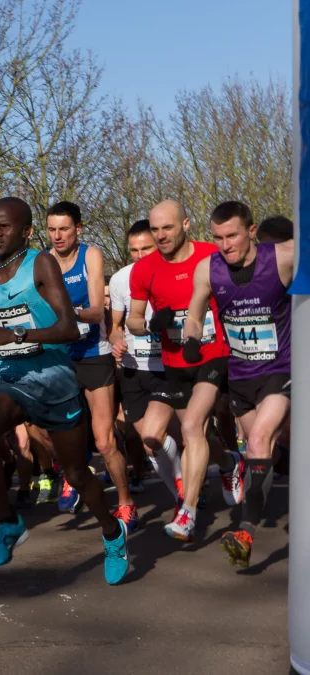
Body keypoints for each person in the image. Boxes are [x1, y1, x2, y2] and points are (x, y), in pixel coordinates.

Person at [0, 197, 129, 585]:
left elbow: (69, 328)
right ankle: (9, 522)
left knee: (76, 473)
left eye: (4, 226)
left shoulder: (40, 264)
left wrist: (14, 334)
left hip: (54, 381)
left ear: (26, 232)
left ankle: (112, 532)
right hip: (12, 380)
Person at [184, 201, 292, 567]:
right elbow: (195, 314)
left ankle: (246, 531)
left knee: (259, 439)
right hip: (242, 376)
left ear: (251, 231)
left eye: (232, 236)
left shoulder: (283, 257)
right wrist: (191, 338)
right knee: (263, 452)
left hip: (280, 369)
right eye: (217, 238)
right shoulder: (208, 269)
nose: (225, 245)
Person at [128, 200, 242, 542]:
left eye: (168, 227)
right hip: (175, 362)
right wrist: (150, 325)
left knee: (192, 426)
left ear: (186, 224)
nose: (161, 235)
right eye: (155, 229)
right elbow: (133, 321)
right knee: (196, 435)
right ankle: (229, 463)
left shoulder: (212, 255)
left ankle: (187, 514)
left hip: (213, 354)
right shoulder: (143, 269)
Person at [46, 201, 137, 530]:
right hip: (60, 357)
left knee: (104, 441)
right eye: (52, 229)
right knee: (48, 431)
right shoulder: (43, 262)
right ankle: (75, 475)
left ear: (78, 229)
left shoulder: (90, 256)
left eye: (64, 229)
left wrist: (63, 313)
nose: (58, 236)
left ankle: (125, 502)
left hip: (94, 354)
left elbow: (97, 311)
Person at [109, 221, 183, 504]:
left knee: (167, 435)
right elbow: (115, 327)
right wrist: (117, 341)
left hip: (167, 368)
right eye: (134, 250)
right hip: (133, 370)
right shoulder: (120, 280)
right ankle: (182, 494)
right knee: (151, 444)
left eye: (146, 249)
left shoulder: (175, 274)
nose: (140, 256)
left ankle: (192, 487)